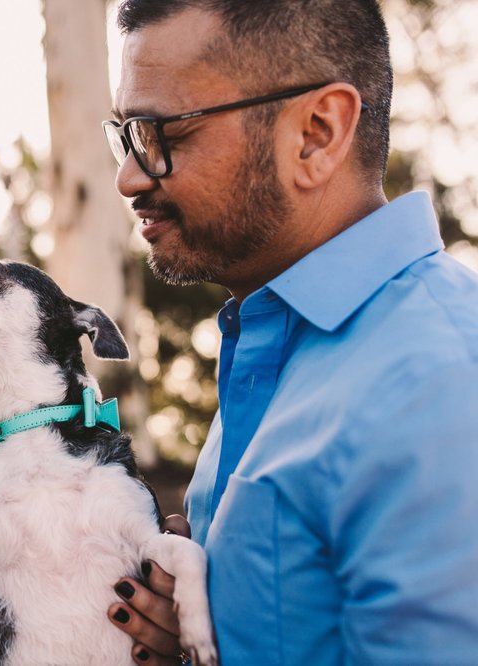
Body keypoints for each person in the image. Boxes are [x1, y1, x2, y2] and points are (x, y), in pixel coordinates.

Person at [101, 1, 478, 664]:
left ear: (316, 133)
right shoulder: (271, 347)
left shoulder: (438, 384)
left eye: (160, 135)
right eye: (124, 136)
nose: (129, 176)